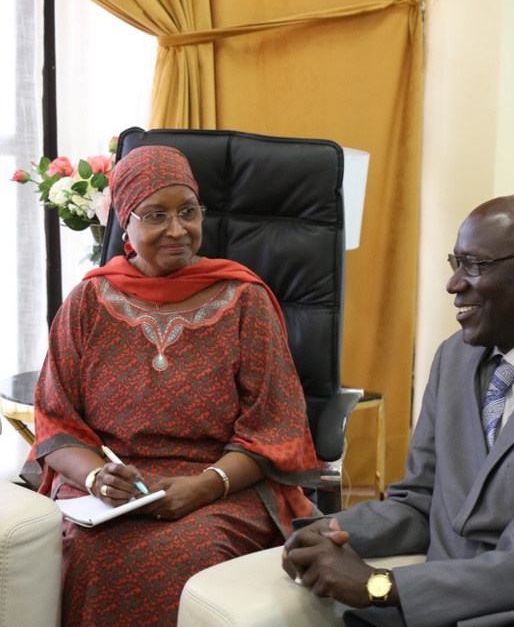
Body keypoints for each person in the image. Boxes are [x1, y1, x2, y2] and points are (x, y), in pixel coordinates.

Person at [283, 192, 514, 626]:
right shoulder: (454, 358)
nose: (454, 283)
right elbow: (421, 500)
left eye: (475, 265)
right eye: (455, 262)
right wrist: (327, 532)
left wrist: (380, 586)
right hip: (443, 609)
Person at [21, 144, 320, 626]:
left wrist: (203, 487)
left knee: (182, 560)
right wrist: (98, 477)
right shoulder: (88, 302)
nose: (178, 230)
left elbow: (274, 428)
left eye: (189, 211)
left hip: (221, 485)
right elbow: (56, 422)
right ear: (126, 221)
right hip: (111, 487)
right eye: (156, 215)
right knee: (90, 556)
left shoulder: (245, 299)